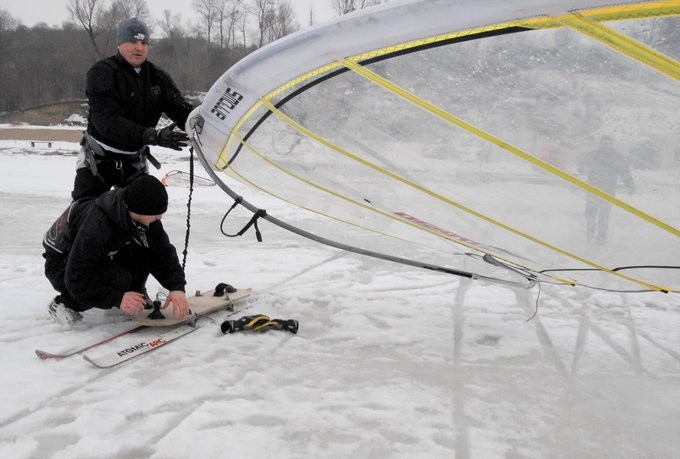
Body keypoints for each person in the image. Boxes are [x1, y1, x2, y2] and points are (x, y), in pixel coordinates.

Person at [73, 17, 194, 200]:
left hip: (134, 162)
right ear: (120, 43)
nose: (139, 47)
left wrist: (203, 123)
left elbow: (182, 111)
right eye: (132, 41)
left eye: (144, 42)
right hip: (98, 161)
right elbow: (107, 121)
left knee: (146, 215)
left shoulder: (157, 77)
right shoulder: (102, 72)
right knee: (84, 215)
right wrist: (152, 136)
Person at [43, 175, 189, 327]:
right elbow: (77, 276)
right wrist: (116, 298)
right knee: (118, 280)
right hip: (62, 264)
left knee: (143, 249)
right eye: (156, 213)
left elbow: (161, 253)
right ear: (139, 208)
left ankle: (134, 295)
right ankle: (63, 303)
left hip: (98, 257)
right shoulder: (98, 224)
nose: (160, 217)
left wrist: (176, 287)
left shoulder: (145, 219)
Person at [577, 136, 635, 244]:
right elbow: (581, 168)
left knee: (604, 217)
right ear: (600, 144)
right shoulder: (592, 155)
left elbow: (625, 173)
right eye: (604, 143)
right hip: (592, 190)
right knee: (590, 215)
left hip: (608, 192)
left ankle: (601, 238)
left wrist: (630, 185)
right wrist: (581, 161)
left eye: (608, 143)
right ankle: (589, 235)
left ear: (612, 145)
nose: (606, 146)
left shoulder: (618, 158)